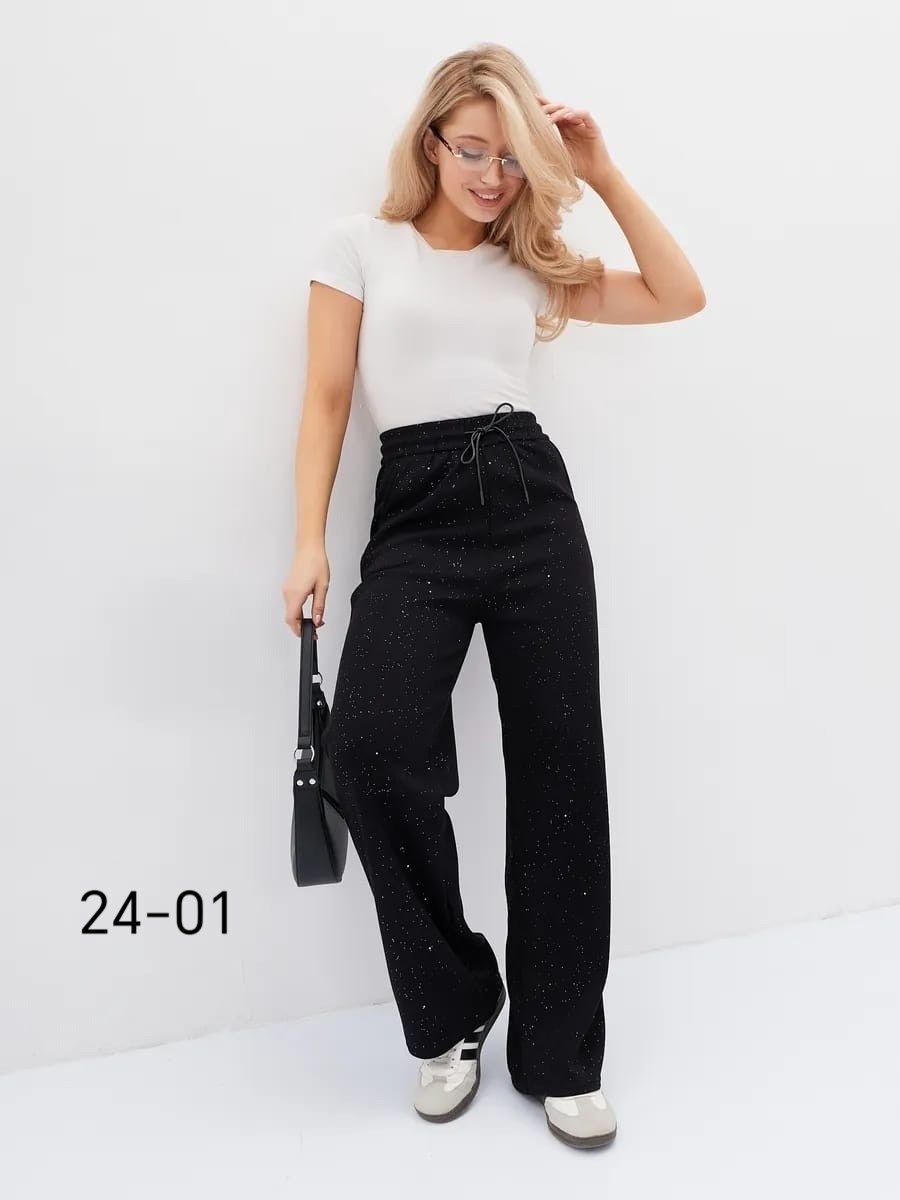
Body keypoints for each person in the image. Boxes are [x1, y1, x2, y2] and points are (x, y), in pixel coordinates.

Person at [284, 42, 705, 1150]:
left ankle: (562, 1054)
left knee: (563, 775)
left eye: (513, 159)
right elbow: (327, 399)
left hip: (530, 501)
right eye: (474, 151)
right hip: (415, 510)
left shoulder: (530, 263)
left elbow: (680, 295)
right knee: (369, 750)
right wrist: (307, 541)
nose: (492, 176)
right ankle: (455, 1008)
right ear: (431, 142)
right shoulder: (359, 246)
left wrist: (601, 172)